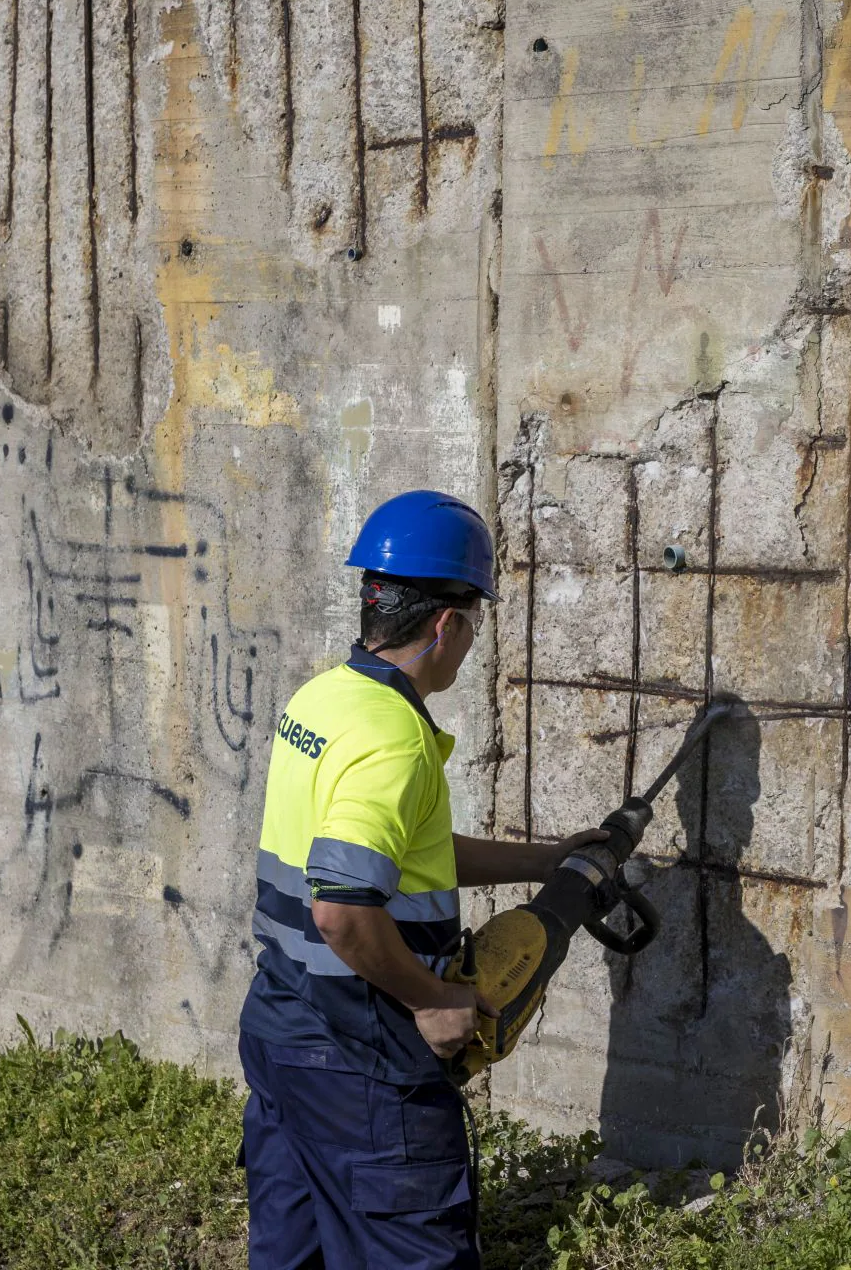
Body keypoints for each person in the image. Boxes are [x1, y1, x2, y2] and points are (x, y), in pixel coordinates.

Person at [237, 489, 604, 1269]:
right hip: (361, 1054)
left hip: (282, 1027)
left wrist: (545, 860)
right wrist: (431, 998)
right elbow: (342, 910)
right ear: (447, 624)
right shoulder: (392, 740)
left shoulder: (323, 699)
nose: (469, 644)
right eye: (472, 624)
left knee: (291, 1252)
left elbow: (403, 856)